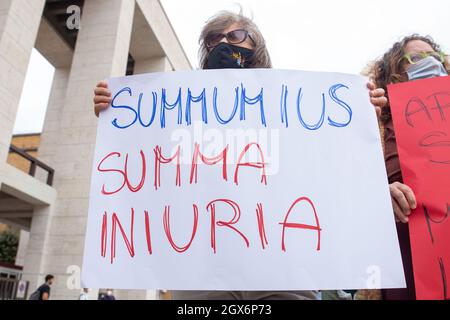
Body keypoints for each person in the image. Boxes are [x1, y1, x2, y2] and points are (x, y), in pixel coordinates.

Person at [92, 10, 388, 300]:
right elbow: (151, 153)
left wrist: (360, 114)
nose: (223, 43)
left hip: (281, 263)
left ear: (255, 48)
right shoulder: (178, 106)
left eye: (235, 35)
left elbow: (329, 156)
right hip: (203, 266)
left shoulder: (295, 104)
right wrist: (115, 114)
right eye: (214, 39)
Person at [371, 34, 449, 300]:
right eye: (416, 58)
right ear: (395, 75)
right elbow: (349, 187)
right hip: (405, 266)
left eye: (436, 57)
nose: (430, 63)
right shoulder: (377, 125)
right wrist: (382, 194)